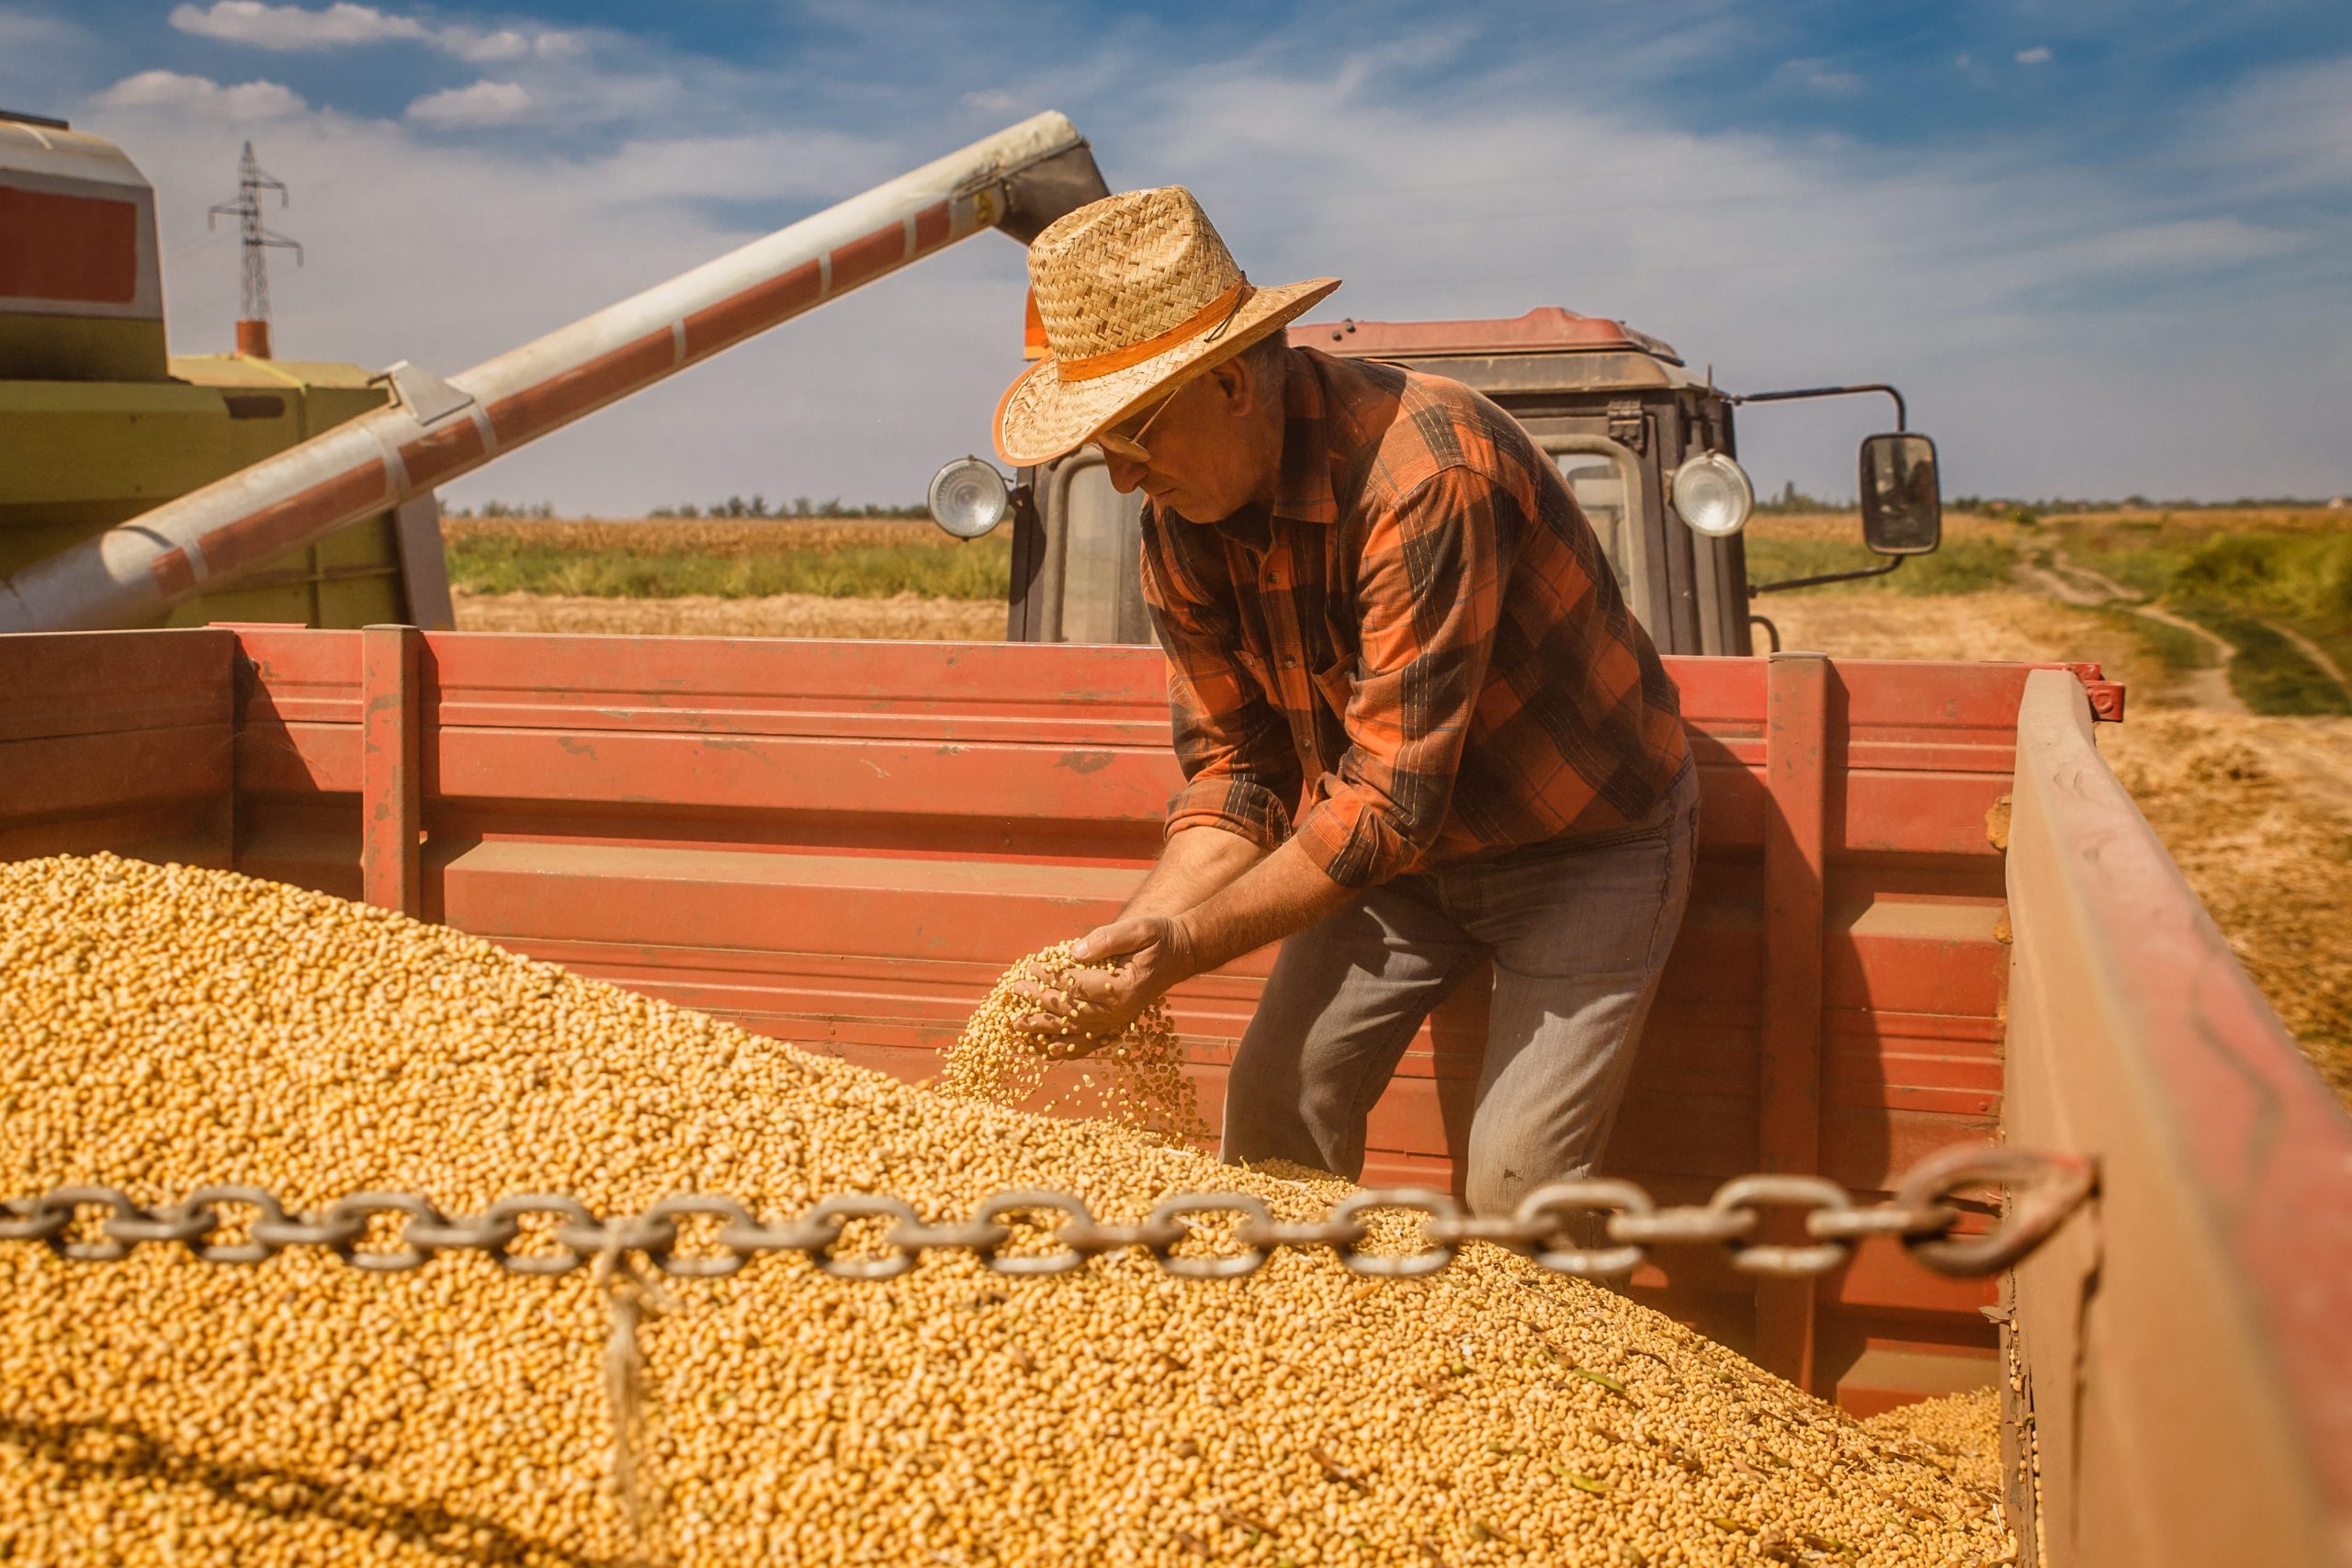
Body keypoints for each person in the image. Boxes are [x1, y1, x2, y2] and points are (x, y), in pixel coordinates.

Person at [998, 186, 1697, 1215]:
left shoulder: (1425, 476)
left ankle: (1531, 1370)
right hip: (1392, 859)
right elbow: (1239, 774)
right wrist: (1126, 946)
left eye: (1131, 433)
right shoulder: (1180, 520)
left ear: (1232, 384)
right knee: (1274, 1105)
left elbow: (1386, 808)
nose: (1118, 478)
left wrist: (1183, 951)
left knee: (1520, 1189)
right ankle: (1301, 1357)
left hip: (1579, 843)